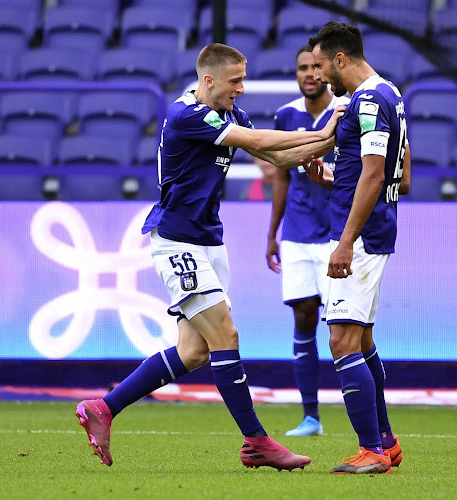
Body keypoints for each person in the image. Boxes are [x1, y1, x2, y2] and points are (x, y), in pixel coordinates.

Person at [75, 42, 344, 470]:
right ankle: (256, 441)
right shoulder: (188, 115)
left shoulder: (231, 113)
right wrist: (327, 132)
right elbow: (257, 140)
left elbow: (274, 155)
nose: (242, 88)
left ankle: (103, 408)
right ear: (209, 80)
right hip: (177, 241)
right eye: (235, 80)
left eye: (243, 79)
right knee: (226, 338)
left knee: (194, 351)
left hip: (209, 242)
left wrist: (320, 146)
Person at [303, 21, 410, 474]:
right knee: (362, 339)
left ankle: (370, 450)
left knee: (341, 340)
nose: (319, 72)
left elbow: (373, 172)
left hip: (361, 236)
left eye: (322, 63)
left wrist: (346, 242)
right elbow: (384, 175)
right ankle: (385, 440)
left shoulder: (367, 100)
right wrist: (329, 178)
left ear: (340, 59)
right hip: (370, 228)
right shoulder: (390, 93)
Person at [265, 45, 350, 437]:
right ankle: (311, 416)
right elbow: (280, 176)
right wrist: (273, 231)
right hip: (297, 234)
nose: (310, 73)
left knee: (344, 327)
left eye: (316, 66)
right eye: (302, 68)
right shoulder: (286, 116)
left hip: (337, 233)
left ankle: (362, 412)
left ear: (329, 68)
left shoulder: (347, 109)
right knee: (303, 316)